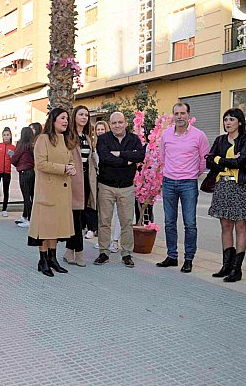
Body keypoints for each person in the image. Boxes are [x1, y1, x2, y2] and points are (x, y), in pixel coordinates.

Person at [156, 103, 209, 273]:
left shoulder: (199, 135)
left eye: (183, 113)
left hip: (188, 183)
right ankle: (172, 256)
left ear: (188, 115)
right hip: (169, 182)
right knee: (169, 222)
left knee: (190, 223)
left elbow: (204, 160)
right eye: (176, 113)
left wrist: (192, 174)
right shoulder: (166, 134)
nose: (179, 116)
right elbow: (163, 156)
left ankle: (188, 259)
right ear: (173, 116)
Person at [206, 108, 246, 282]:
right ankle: (226, 265)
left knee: (240, 226)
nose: (227, 122)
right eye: (225, 119)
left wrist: (220, 160)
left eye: (232, 119)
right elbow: (208, 161)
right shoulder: (220, 140)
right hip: (223, 186)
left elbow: (241, 161)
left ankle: (237, 269)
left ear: (240, 122)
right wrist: (224, 161)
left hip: (241, 187)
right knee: (225, 226)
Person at [27, 108, 76, 277]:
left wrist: (71, 168)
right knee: (45, 227)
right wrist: (64, 168)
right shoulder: (43, 139)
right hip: (47, 191)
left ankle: (53, 258)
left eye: (67, 119)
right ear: (53, 120)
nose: (66, 122)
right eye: (63, 118)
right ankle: (43, 260)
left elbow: (69, 160)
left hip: (62, 191)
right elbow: (40, 164)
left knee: (56, 226)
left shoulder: (64, 139)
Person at [94, 112, 145, 268]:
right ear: (110, 124)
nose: (117, 125)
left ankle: (127, 254)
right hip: (106, 186)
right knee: (104, 221)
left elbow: (140, 156)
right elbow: (105, 158)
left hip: (126, 187)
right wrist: (127, 160)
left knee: (127, 222)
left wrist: (120, 154)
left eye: (120, 122)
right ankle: (103, 252)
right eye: (114, 123)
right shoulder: (103, 139)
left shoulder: (134, 139)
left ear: (125, 123)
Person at [63, 105, 96, 267]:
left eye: (86, 115)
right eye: (81, 114)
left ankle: (69, 250)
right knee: (76, 218)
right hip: (73, 181)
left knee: (80, 218)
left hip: (86, 181)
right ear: (74, 116)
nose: (84, 117)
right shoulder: (69, 136)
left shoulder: (87, 138)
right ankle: (79, 252)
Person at [11, 127, 35, 228]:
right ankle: (25, 216)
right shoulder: (32, 145)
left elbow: (14, 158)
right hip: (32, 172)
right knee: (31, 196)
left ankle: (29, 219)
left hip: (24, 172)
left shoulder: (21, 145)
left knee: (26, 197)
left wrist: (13, 160)